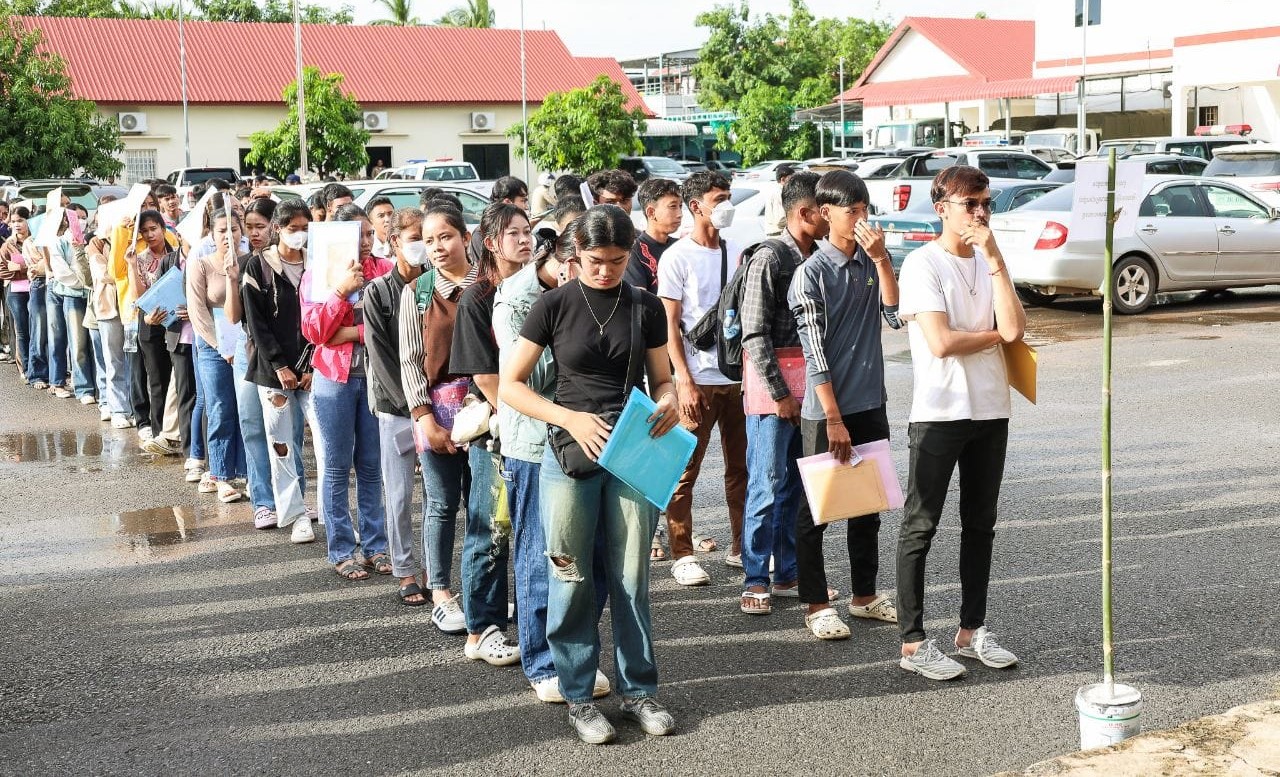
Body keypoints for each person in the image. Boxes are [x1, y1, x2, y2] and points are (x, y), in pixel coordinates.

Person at [499, 205, 680, 745]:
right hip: (566, 455)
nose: (605, 271)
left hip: (631, 453)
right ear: (575, 254)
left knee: (631, 578)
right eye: (595, 261)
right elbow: (511, 385)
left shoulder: (644, 305)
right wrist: (569, 418)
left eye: (617, 261)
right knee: (570, 576)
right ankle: (578, 696)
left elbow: (661, 379)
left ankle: (639, 691)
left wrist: (669, 399)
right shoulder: (552, 305)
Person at [895, 165, 1026, 680]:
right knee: (921, 524)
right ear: (941, 208)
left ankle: (972, 630)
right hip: (939, 411)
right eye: (970, 203)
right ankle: (913, 642)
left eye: (986, 203)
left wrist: (993, 258)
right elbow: (942, 342)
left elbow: (1016, 327)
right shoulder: (922, 264)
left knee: (980, 524)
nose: (979, 213)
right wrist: (994, 336)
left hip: (991, 408)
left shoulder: (991, 261)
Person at [494, 217, 611, 702]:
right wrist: (568, 322)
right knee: (544, 557)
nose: (601, 275)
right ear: (567, 262)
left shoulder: (605, 294)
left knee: (595, 558)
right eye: (589, 264)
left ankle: (576, 657)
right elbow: (534, 378)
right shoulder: (519, 300)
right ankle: (543, 662)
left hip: (592, 443)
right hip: (534, 444)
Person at [788, 169, 902, 640]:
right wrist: (833, 418)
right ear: (826, 213)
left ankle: (864, 596)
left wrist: (882, 260)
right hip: (827, 411)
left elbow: (895, 316)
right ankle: (817, 604)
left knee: (867, 504)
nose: (860, 219)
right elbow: (814, 354)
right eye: (851, 211)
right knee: (817, 509)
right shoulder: (810, 274)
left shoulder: (871, 262)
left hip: (870, 401)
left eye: (864, 210)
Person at [447, 202, 539, 665]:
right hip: (498, 431)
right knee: (491, 527)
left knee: (530, 528)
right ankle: (481, 629)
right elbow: (484, 376)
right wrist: (521, 413)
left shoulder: (540, 289)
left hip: (537, 426)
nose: (525, 240)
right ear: (490, 243)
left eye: (528, 231)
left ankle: (528, 619)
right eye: (513, 233)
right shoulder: (477, 297)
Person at [737, 170, 827, 615]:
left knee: (798, 484)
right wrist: (780, 395)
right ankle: (755, 578)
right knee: (766, 485)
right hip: (773, 392)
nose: (832, 216)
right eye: (826, 209)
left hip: (810, 387)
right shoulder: (770, 258)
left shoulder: (821, 257)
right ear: (805, 213)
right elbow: (753, 335)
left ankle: (788, 572)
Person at [655, 171, 748, 585]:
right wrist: (684, 379)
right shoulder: (677, 257)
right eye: (719, 198)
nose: (727, 205)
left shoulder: (738, 251)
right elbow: (669, 325)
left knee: (743, 468)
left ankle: (742, 547)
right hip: (697, 379)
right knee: (683, 469)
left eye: (728, 196)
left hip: (738, 379)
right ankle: (683, 553)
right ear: (697, 206)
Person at [302, 203, 393, 579]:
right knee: (337, 467)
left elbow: (390, 326)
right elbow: (315, 332)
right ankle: (341, 550)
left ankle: (376, 547)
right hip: (333, 380)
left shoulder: (384, 270)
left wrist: (351, 332)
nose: (368, 241)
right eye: (360, 235)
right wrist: (340, 292)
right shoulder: (318, 274)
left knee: (371, 466)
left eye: (370, 233)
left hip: (374, 378)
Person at [398, 205, 478, 630]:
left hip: (486, 410)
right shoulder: (418, 292)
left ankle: (482, 590)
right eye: (429, 241)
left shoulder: (489, 284)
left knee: (484, 505)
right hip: (438, 412)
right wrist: (424, 418)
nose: (437, 247)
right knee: (442, 503)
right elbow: (410, 361)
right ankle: (442, 591)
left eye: (445, 236)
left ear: (466, 237)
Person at [241, 198, 316, 543]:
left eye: (304, 228)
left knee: (326, 445)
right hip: (273, 373)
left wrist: (311, 364)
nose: (299, 234)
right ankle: (295, 515)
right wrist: (279, 364)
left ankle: (332, 515)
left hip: (313, 370)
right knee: (281, 444)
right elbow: (255, 323)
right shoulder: (258, 267)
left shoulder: (316, 263)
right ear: (278, 229)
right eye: (292, 228)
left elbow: (325, 315)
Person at [364, 207, 428, 598]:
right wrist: (412, 407)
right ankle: (405, 570)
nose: (422, 246)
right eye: (415, 238)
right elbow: (380, 355)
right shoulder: (378, 292)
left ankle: (435, 571)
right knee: (400, 494)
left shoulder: (435, 284)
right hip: (396, 407)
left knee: (438, 498)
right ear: (394, 242)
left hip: (438, 405)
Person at [186, 203, 248, 501]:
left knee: (247, 410)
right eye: (222, 230)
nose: (228, 236)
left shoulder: (251, 262)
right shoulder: (201, 265)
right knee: (220, 408)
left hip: (246, 346)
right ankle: (222, 475)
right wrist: (222, 348)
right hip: (213, 347)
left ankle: (248, 472)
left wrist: (240, 347)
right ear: (212, 234)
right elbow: (198, 313)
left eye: (233, 230)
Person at [231, 197, 280, 527]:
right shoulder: (244, 263)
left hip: (282, 352)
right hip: (248, 349)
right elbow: (235, 316)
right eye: (249, 227)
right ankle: (263, 502)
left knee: (285, 430)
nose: (254, 233)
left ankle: (292, 499)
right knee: (252, 425)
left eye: (260, 226)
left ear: (275, 226)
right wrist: (231, 278)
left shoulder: (291, 262)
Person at [624, 178, 681, 293]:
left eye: (680, 206)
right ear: (651, 212)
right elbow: (639, 297)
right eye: (673, 206)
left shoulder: (680, 247)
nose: (680, 214)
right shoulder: (634, 252)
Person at [1, 207, 31, 383]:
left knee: (38, 330)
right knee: (21, 329)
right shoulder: (8, 245)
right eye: (13, 222)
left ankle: (38, 368)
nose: (17, 224)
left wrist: (20, 268)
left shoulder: (35, 241)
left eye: (20, 220)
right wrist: (25, 272)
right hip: (16, 292)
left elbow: (42, 266)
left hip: (37, 289)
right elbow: (3, 271)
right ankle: (25, 368)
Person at [761, 164, 796, 237]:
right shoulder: (779, 193)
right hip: (779, 235)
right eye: (792, 179)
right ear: (783, 179)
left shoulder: (776, 191)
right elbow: (780, 220)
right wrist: (798, 220)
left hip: (779, 234)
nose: (794, 182)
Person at [366, 195, 395, 260]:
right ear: (371, 222)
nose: (387, 219)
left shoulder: (404, 243)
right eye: (381, 216)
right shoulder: (367, 248)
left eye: (390, 214)